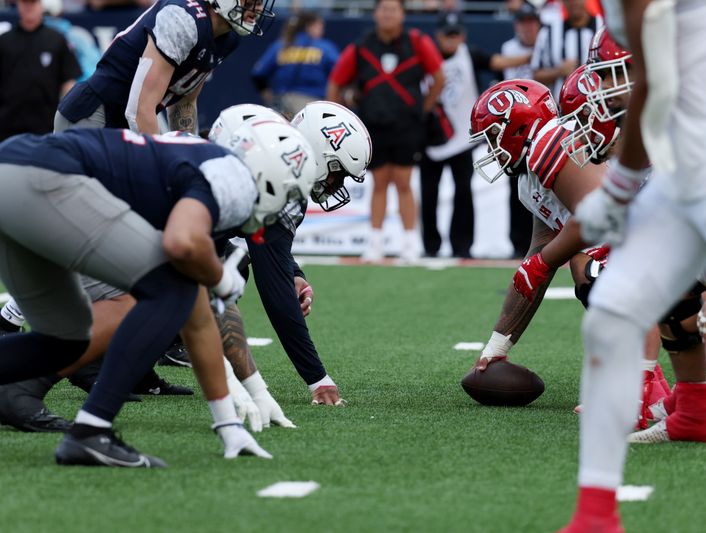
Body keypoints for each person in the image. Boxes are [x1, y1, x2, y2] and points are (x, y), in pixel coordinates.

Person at [558, 0, 706, 529]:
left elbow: (658, 79)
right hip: (683, 169)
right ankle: (594, 516)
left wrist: (619, 189)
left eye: (611, 77)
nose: (606, 89)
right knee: (612, 316)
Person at [0, 120, 316, 467]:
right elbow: (181, 246)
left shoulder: (198, 168)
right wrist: (222, 279)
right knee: (170, 287)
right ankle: (91, 431)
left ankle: (90, 431)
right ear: (270, 175)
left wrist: (228, 422)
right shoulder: (232, 178)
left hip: (14, 168)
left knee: (65, 340)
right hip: (47, 177)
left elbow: (196, 311)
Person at [209, 101, 372, 406]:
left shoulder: (268, 149)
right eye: (337, 173)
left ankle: (163, 346)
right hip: (158, 223)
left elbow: (267, 245)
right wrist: (317, 378)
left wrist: (293, 273)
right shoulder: (275, 169)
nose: (336, 184)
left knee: (231, 265)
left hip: (176, 219)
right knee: (215, 274)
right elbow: (276, 293)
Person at [327, 0, 445, 263]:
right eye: (383, 9)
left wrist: (422, 108)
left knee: (404, 182)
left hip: (407, 125)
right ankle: (375, 243)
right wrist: (341, 117)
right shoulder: (361, 47)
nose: (388, 14)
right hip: (374, 125)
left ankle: (410, 243)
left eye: (393, 9)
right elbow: (335, 83)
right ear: (376, 13)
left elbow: (439, 77)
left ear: (403, 14)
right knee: (378, 183)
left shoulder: (416, 42)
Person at [54, 0, 275, 135]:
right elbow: (139, 110)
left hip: (127, 121)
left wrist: (188, 149)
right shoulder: (183, 19)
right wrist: (167, 164)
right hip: (95, 114)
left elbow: (184, 100)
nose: (258, 7)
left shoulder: (228, 37)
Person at [421, 11, 532, 258]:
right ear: (437, 35)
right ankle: (430, 246)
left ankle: (462, 246)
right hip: (430, 135)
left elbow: (497, 62)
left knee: (463, 192)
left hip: (462, 137)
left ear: (463, 35)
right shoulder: (424, 57)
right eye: (447, 34)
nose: (451, 39)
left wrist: (531, 56)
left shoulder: (469, 54)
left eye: (456, 34)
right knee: (429, 194)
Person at [0, 0, 80, 141]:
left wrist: (64, 117)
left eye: (33, 3)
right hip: (7, 127)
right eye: (25, 3)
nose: (29, 7)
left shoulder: (57, 40)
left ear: (40, 5)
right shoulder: (4, 41)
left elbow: (69, 80)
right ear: (18, 5)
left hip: (46, 127)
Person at [500, 1, 543, 258]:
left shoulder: (549, 43)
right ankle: (518, 244)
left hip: (545, 122)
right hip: (517, 125)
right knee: (517, 186)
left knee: (546, 185)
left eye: (531, 23)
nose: (527, 28)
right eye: (523, 23)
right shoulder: (510, 48)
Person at [251, 11, 340, 116]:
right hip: (312, 105)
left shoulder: (281, 45)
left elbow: (257, 74)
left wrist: (267, 95)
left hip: (280, 105)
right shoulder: (324, 47)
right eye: (319, 25)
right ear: (309, 26)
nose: (322, 29)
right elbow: (339, 74)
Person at [532, 0, 599, 97]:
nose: (574, 2)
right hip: (561, 105)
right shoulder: (548, 32)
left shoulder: (603, 26)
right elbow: (536, 76)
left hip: (600, 101)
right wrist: (558, 71)